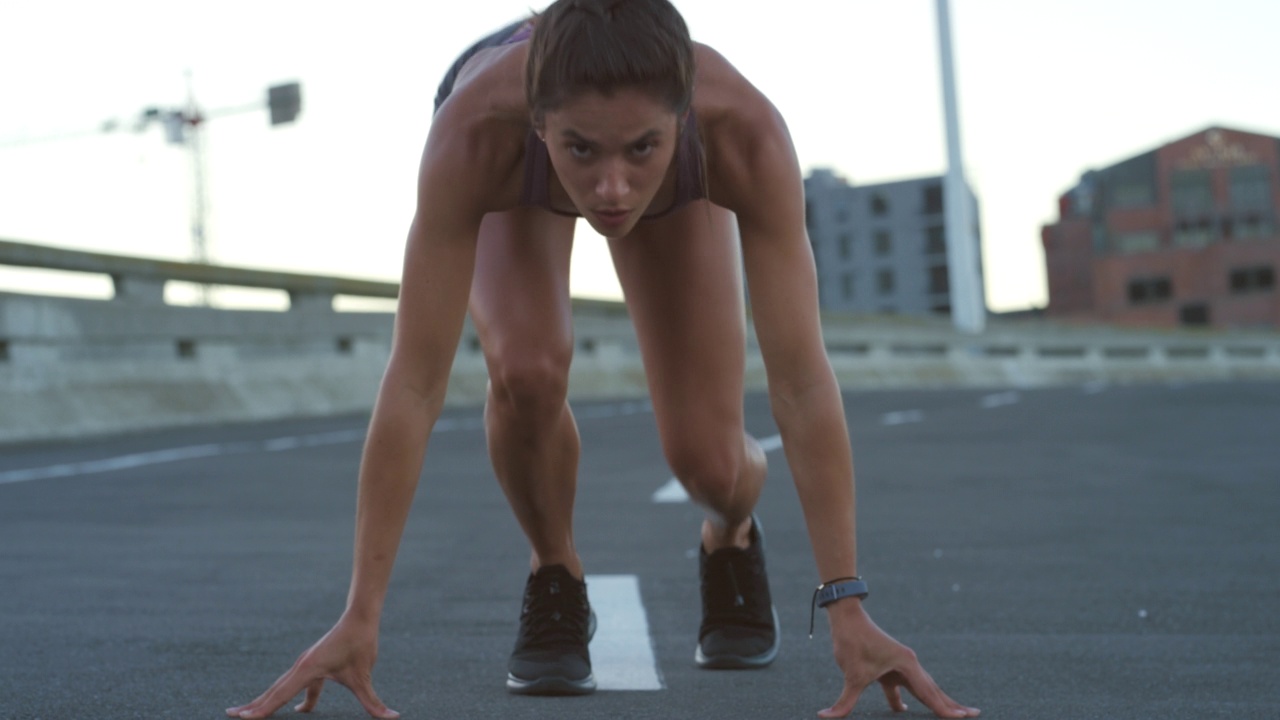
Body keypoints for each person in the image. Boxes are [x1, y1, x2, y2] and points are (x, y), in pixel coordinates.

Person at [226, 1, 980, 717]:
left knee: (710, 463)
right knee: (524, 369)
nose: (612, 189)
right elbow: (416, 383)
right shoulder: (476, 132)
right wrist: (359, 615)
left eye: (641, 149)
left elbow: (803, 382)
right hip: (509, 141)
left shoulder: (742, 132)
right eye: (580, 150)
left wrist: (846, 604)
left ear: (682, 119)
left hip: (673, 165)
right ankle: (555, 571)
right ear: (538, 123)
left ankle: (731, 534)